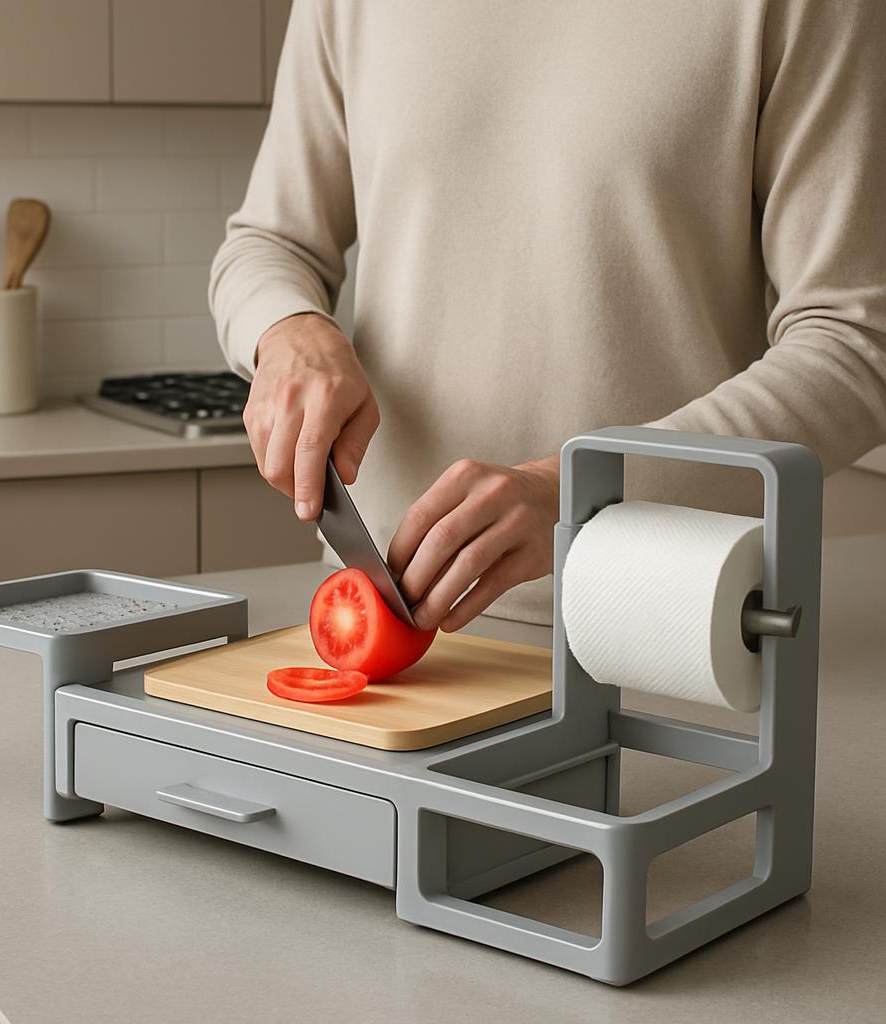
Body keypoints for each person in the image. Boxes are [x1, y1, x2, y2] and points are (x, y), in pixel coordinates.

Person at [210, 0, 886, 631]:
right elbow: (269, 242)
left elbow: (856, 342)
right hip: (384, 630)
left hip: (666, 628)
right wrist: (289, 329)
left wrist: (582, 491)